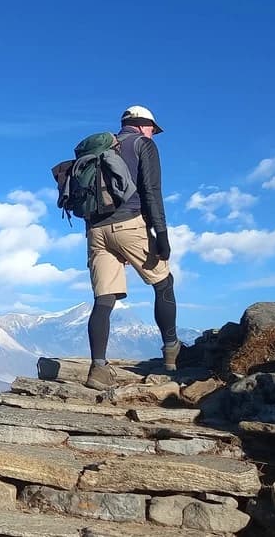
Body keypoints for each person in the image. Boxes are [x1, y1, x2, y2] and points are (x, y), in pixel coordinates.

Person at [83, 105, 179, 390]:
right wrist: (161, 233)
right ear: (141, 125)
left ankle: (97, 369)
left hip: (95, 231)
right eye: (153, 129)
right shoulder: (143, 145)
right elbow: (151, 190)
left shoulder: (102, 148)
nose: (154, 134)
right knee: (163, 282)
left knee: (104, 299)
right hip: (129, 225)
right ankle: (172, 353)